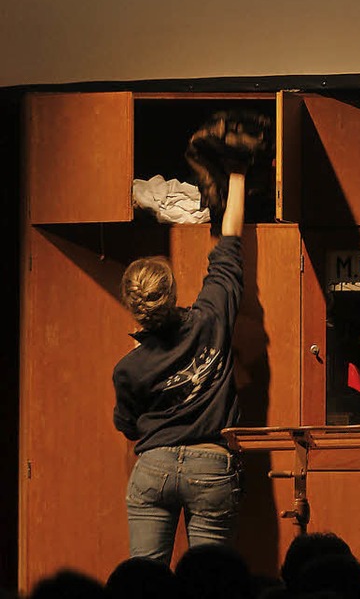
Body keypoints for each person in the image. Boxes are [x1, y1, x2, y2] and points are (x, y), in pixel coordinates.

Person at [112, 162, 247, 562]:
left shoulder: (129, 368)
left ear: (132, 306)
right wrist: (237, 176)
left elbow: (128, 427)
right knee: (209, 583)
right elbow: (230, 245)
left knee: (145, 582)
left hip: (154, 467)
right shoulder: (211, 317)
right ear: (171, 292)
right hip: (212, 465)